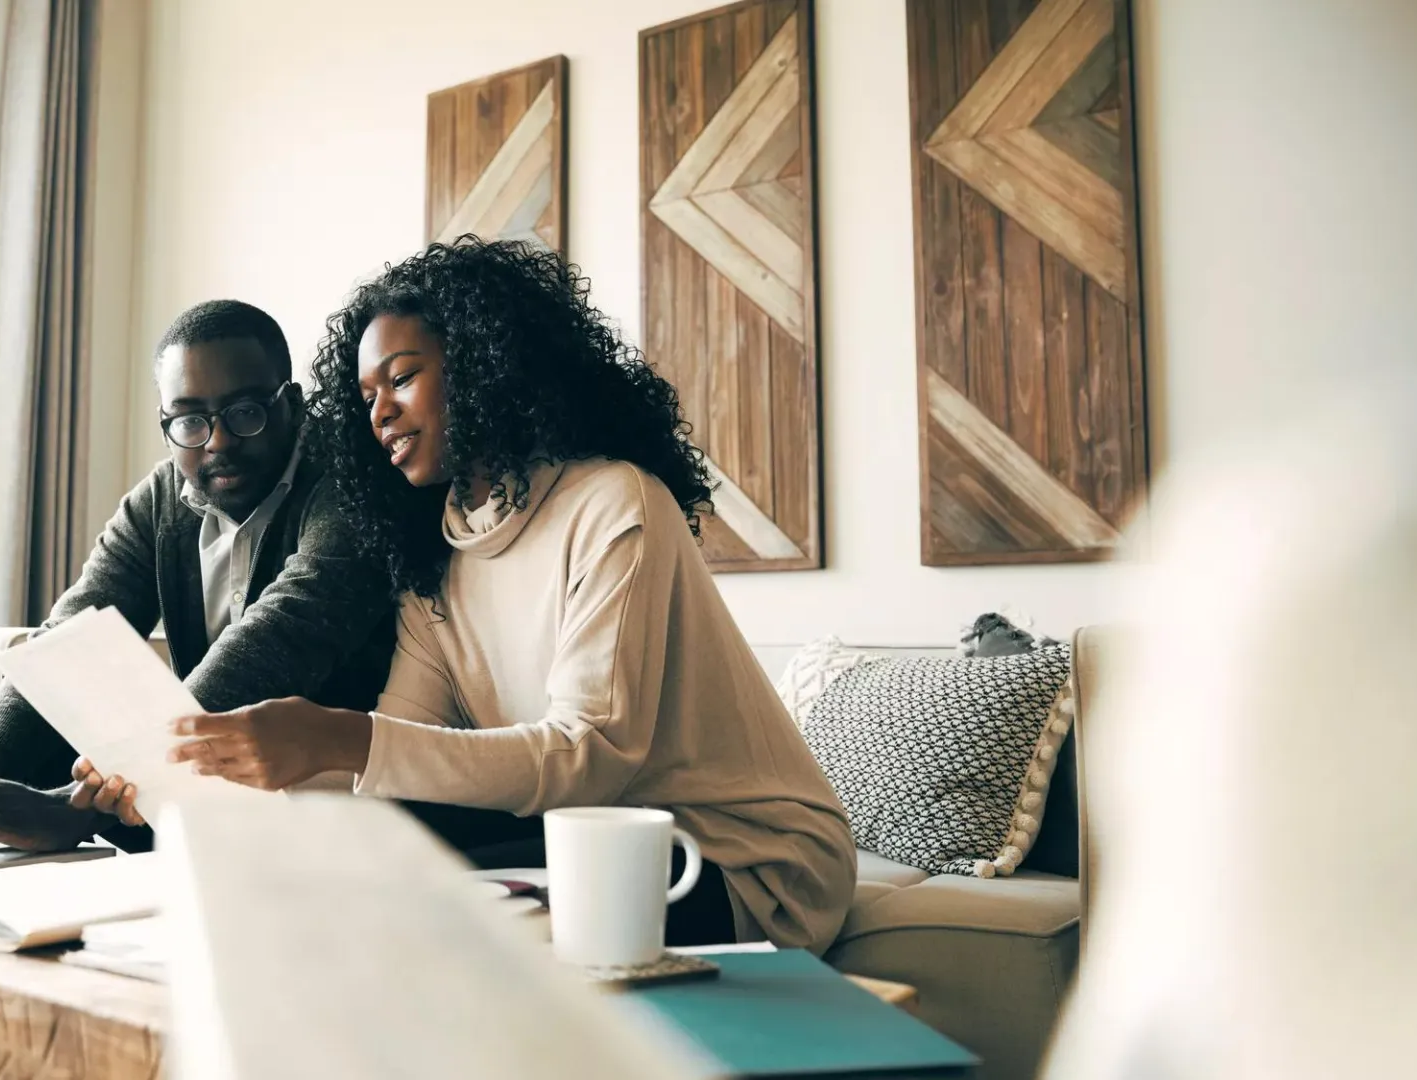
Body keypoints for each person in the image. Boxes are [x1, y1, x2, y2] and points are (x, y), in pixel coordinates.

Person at [84, 239, 857, 951]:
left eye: (404, 377)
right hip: (591, 836)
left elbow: (588, 755)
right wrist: (233, 774)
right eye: (365, 395)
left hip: (735, 860)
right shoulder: (438, 549)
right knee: (342, 878)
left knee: (418, 917)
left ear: (485, 364)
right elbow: (403, 755)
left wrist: (328, 737)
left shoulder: (615, 503)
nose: (379, 411)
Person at [0, 300, 396, 858]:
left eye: (245, 412)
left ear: (293, 405)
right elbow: (65, 642)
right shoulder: (158, 502)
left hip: (343, 824)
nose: (218, 441)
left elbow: (279, 638)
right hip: (197, 811)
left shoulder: (354, 481)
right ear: (165, 425)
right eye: (189, 420)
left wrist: (71, 806)